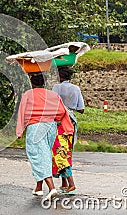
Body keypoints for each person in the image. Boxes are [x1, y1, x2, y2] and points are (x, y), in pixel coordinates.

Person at [16, 72, 74, 201]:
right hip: (51, 126)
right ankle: (38, 187)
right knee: (45, 154)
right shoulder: (53, 95)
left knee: (37, 156)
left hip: (35, 126)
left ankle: (51, 187)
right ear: (44, 83)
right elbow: (61, 112)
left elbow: (22, 112)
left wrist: (20, 131)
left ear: (32, 82)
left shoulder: (28, 94)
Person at [51, 66, 85, 193]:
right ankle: (64, 183)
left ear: (60, 76)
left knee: (59, 152)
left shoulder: (56, 87)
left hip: (59, 122)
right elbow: (81, 109)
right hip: (70, 123)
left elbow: (52, 104)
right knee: (66, 151)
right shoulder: (76, 89)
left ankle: (71, 183)